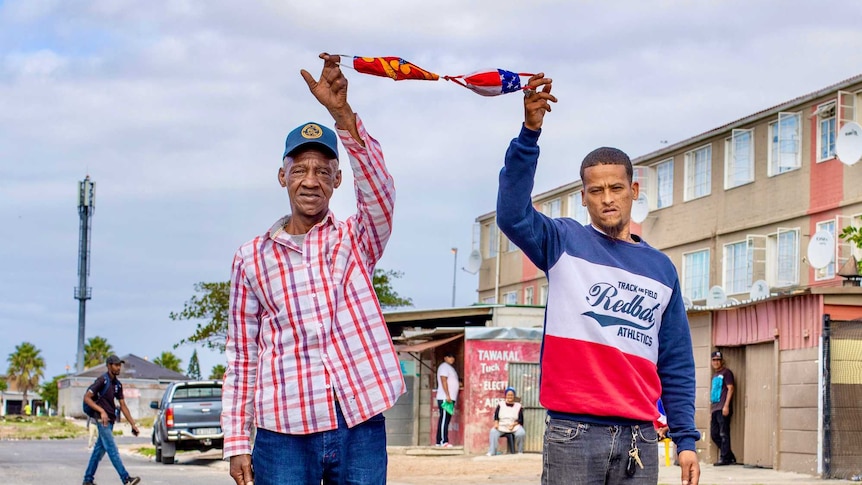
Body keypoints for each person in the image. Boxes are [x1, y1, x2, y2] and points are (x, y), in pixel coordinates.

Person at [496, 73, 701, 485]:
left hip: (640, 439)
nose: (607, 198)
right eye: (596, 190)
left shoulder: (662, 270)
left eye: (616, 188)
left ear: (634, 189)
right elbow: (512, 214)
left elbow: (676, 360)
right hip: (572, 434)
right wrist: (529, 134)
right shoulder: (562, 242)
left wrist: (686, 440)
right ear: (583, 195)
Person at [221, 52, 405, 485]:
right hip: (283, 430)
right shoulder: (251, 257)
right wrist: (235, 442)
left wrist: (341, 113)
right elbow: (242, 354)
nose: (310, 180)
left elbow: (380, 190)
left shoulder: (356, 240)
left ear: (337, 180)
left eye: (323, 171)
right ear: (282, 176)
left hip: (357, 420)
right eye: (299, 169)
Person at [82, 355, 141, 485]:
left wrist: (133, 425)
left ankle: (88, 480)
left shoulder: (117, 385)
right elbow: (87, 398)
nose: (118, 367)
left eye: (119, 365)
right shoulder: (102, 380)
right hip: (101, 420)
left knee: (98, 452)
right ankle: (126, 479)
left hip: (110, 420)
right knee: (112, 449)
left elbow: (123, 405)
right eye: (115, 365)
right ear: (109, 366)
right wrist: (101, 411)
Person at [710, 350, 736, 466]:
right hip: (715, 408)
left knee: (723, 433)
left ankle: (725, 458)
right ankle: (729, 455)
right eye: (714, 360)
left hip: (723, 408)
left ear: (722, 361)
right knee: (714, 434)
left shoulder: (726, 373)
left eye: (718, 360)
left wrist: (726, 406)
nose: (716, 362)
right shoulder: (714, 375)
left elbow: (730, 388)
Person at [487, 386, 526, 456]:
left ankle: (520, 451)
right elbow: (496, 416)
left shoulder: (518, 406)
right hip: (502, 425)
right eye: (508, 395)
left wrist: (513, 425)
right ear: (506, 396)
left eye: (511, 395)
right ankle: (492, 452)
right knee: (493, 432)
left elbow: (520, 420)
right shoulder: (501, 404)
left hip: (513, 426)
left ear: (514, 396)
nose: (510, 396)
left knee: (521, 433)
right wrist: (496, 423)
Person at [435, 352, 459, 447]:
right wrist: (447, 395)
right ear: (445, 358)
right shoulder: (444, 366)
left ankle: (440, 441)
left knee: (445, 420)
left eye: (453, 357)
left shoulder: (450, 368)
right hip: (445, 398)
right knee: (444, 419)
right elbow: (443, 380)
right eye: (449, 357)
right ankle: (443, 441)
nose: (452, 359)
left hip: (449, 398)